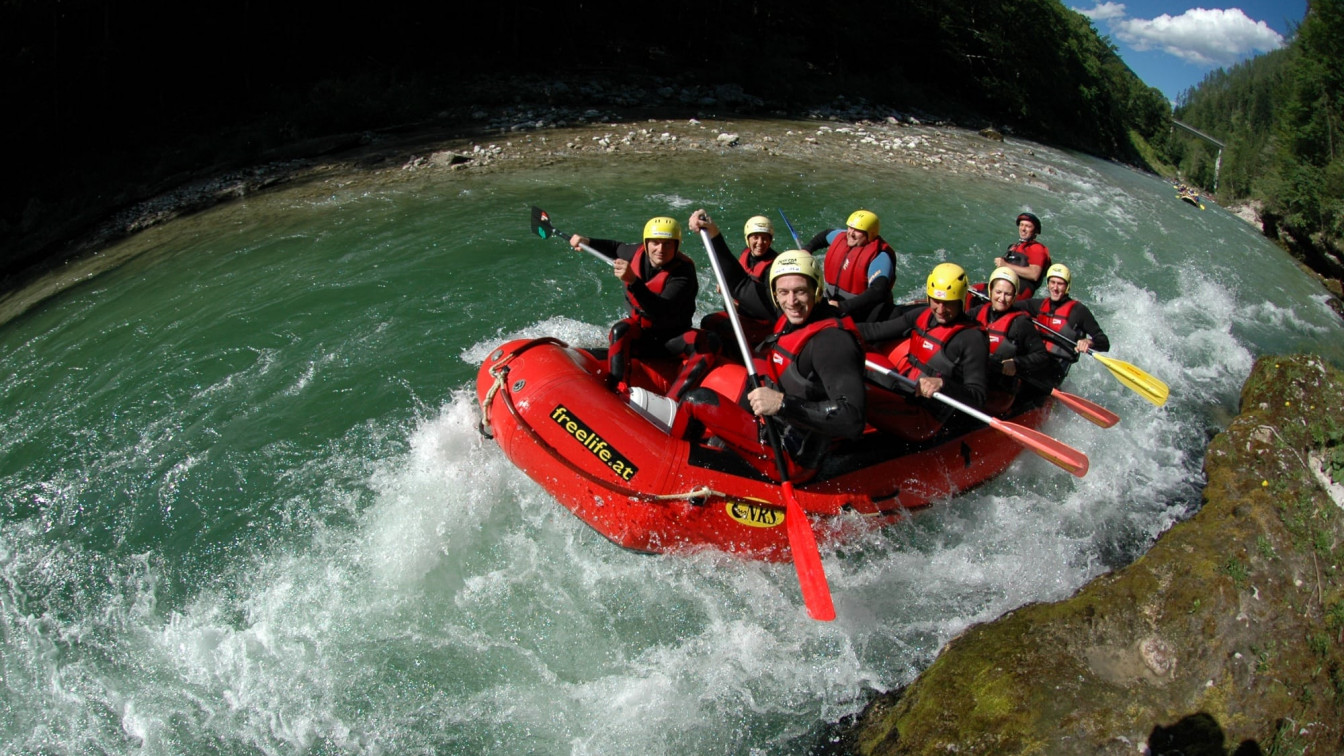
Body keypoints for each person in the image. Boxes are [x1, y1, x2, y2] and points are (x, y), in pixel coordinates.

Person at [672, 249, 867, 479]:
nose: (791, 301)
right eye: (783, 292)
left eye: (800, 291)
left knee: (696, 401)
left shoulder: (832, 342)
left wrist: (782, 404)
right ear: (775, 294)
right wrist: (713, 236)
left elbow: (853, 419)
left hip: (791, 456)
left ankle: (669, 463)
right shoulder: (792, 316)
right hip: (771, 427)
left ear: (816, 290)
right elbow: (740, 285)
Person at [569, 216, 717, 398]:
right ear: (646, 244)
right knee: (620, 330)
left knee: (710, 341)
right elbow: (615, 248)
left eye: (667, 244)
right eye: (655, 243)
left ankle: (674, 401)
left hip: (673, 340)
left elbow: (659, 310)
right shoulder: (635, 253)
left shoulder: (684, 273)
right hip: (643, 336)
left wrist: (633, 281)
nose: (660, 249)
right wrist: (588, 242)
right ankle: (618, 392)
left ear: (676, 246)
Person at [863, 262, 989, 410]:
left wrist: (943, 384)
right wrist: (842, 326)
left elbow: (978, 396)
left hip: (931, 409)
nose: (940, 310)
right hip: (905, 387)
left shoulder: (972, 339)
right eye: (936, 301)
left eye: (948, 303)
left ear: (960, 301)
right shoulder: (922, 315)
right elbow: (876, 330)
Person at [693, 211, 780, 355]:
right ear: (747, 238)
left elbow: (768, 306)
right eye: (755, 237)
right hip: (742, 316)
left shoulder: (773, 267)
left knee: (717, 326)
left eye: (765, 238)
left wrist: (736, 301)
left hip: (759, 324)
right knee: (708, 321)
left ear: (770, 241)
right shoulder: (746, 253)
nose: (760, 243)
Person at [967, 266, 1050, 413]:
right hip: (974, 380)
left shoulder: (1021, 323)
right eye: (998, 292)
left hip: (1000, 391)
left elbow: (1042, 356)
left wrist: (1016, 363)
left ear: (1014, 296)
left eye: (1008, 294)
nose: (1002, 298)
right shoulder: (977, 312)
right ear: (990, 290)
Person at [1015, 263, 1110, 385]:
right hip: (1034, 360)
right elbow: (1010, 306)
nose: (1055, 288)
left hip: (1055, 370)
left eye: (1060, 284)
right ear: (1048, 284)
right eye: (1052, 282)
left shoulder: (1079, 311)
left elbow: (1104, 342)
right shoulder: (1038, 305)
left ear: (1067, 286)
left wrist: (1088, 342)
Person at [802, 209, 897, 322]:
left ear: (870, 234)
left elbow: (878, 290)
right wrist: (807, 249)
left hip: (860, 311)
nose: (851, 233)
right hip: (833, 301)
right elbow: (825, 235)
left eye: (858, 230)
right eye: (850, 227)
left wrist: (842, 306)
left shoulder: (880, 256)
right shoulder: (842, 237)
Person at [993, 212, 1051, 300]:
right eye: (1021, 225)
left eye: (1028, 226)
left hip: (1019, 292)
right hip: (1003, 287)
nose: (1023, 229)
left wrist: (1006, 265)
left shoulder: (1037, 248)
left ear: (1035, 231)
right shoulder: (1014, 247)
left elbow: (1034, 274)